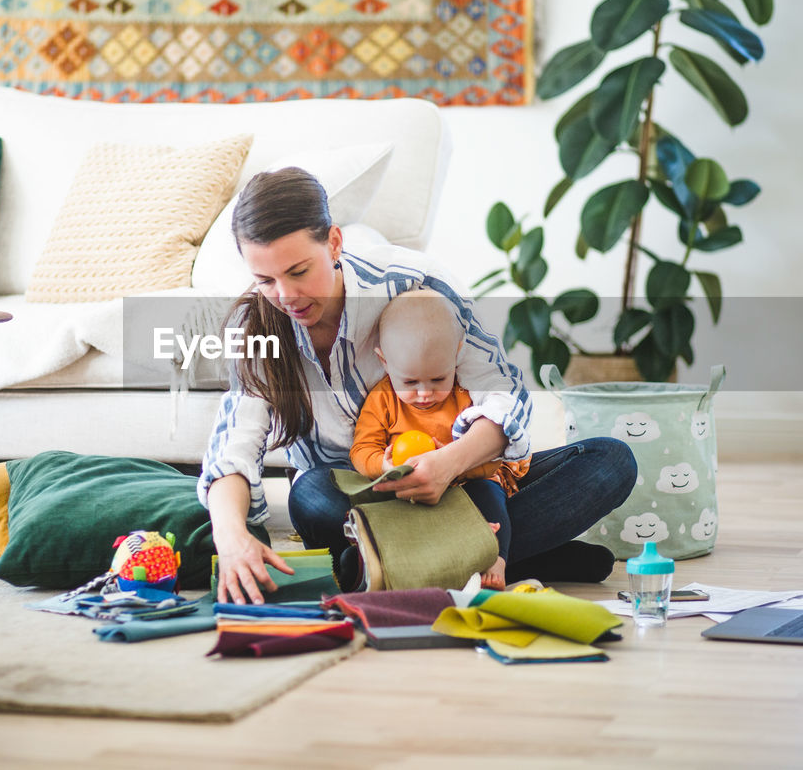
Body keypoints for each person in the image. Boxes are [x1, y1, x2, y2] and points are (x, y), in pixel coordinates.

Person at [197, 167, 636, 605]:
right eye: (265, 280)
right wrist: (232, 538)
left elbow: (502, 394)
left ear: (333, 243)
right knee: (309, 493)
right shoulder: (255, 325)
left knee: (609, 461)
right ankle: (496, 556)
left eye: (298, 271)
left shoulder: (417, 284)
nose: (285, 295)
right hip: (356, 497)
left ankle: (389, 566)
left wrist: (448, 463)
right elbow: (235, 444)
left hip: (460, 482)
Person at [349, 287, 528, 590]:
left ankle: (495, 557)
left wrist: (454, 462)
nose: (424, 393)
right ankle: (448, 555)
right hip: (408, 499)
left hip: (466, 492)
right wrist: (383, 463)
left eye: (437, 379)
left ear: (457, 356)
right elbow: (362, 450)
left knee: (489, 492)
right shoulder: (382, 399)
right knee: (317, 495)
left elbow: (490, 464)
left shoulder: (466, 397)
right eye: (409, 381)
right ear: (383, 361)